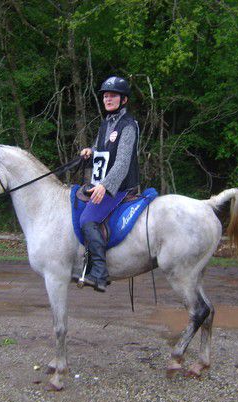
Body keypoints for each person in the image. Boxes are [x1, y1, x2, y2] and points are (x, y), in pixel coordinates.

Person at [77, 76, 141, 292]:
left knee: (87, 219)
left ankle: (100, 272)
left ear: (124, 100)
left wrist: (105, 186)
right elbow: (100, 148)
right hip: (102, 183)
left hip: (120, 187)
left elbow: (122, 163)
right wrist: (90, 151)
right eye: (105, 96)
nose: (108, 99)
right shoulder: (106, 123)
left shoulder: (128, 125)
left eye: (113, 95)